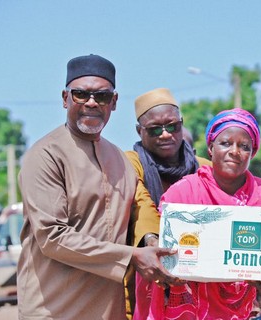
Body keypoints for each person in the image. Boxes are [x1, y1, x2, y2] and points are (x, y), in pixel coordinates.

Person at [17, 54, 179, 320]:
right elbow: (51, 237)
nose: (91, 103)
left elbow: (140, 210)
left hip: (108, 310)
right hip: (53, 309)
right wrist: (132, 257)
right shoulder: (46, 155)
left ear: (113, 102)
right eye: (81, 94)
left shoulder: (120, 160)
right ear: (65, 98)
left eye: (102, 96)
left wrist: (151, 241)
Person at [133, 108, 261, 320]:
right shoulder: (183, 193)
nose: (235, 151)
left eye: (244, 146)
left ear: (253, 153)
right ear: (211, 147)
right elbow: (162, 255)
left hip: (247, 312)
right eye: (226, 143)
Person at [124, 88, 211, 318]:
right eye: (155, 129)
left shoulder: (205, 168)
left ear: (181, 124)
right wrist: (154, 240)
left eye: (172, 126)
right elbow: (138, 201)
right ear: (139, 131)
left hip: (200, 279)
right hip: (148, 276)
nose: (165, 134)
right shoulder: (130, 163)